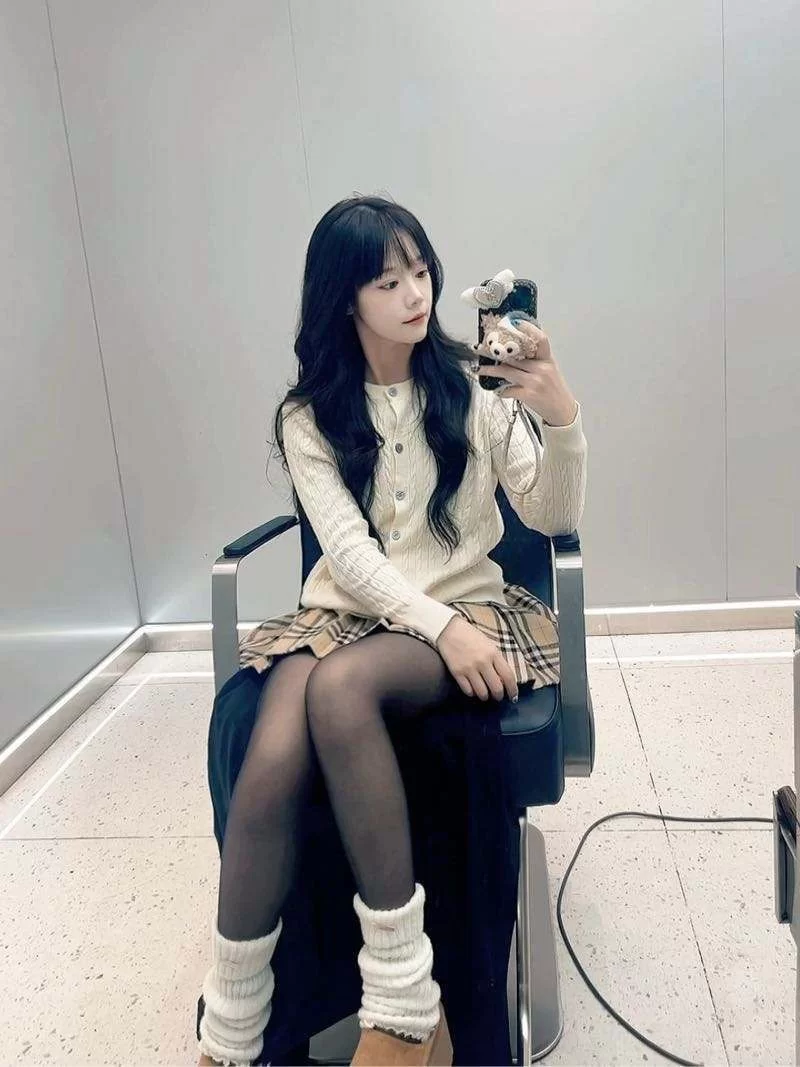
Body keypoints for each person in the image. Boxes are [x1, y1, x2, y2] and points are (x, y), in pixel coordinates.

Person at [197, 194, 587, 1067]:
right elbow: (348, 555)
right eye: (387, 280)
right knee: (268, 756)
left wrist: (561, 416)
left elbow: (554, 514)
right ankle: (231, 1032)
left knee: (339, 688)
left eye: (420, 271)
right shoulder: (309, 415)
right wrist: (436, 628)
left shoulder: (474, 387)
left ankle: (405, 1001)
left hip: (471, 609)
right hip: (350, 613)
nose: (415, 294)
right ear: (344, 298)